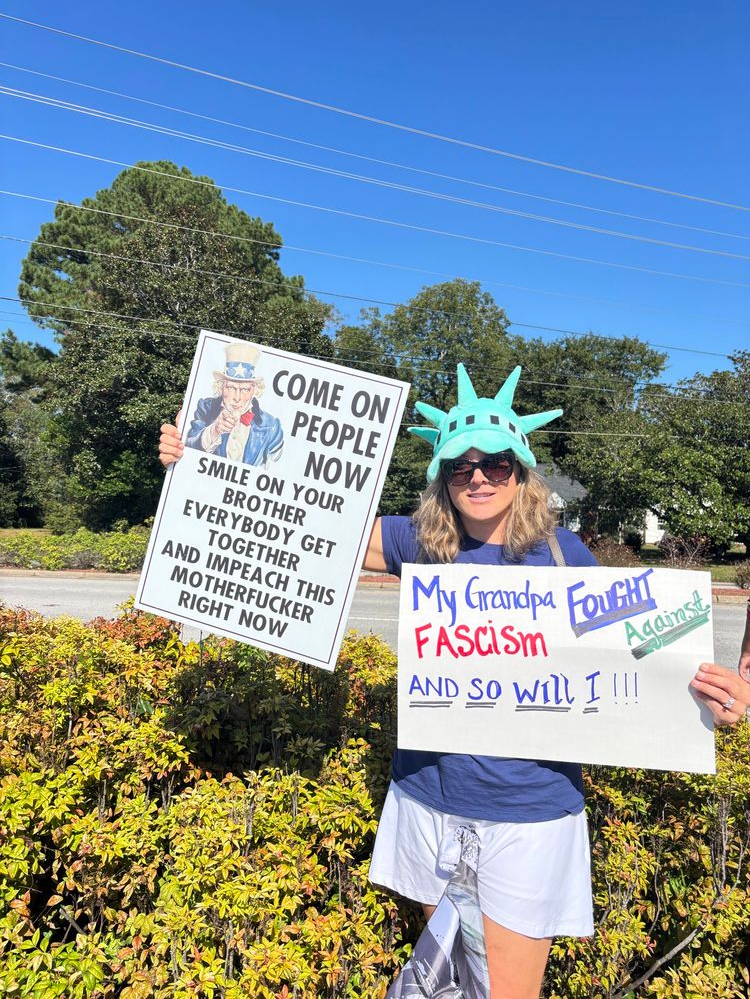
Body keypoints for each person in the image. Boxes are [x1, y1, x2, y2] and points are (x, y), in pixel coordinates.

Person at [159, 363, 750, 999]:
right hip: (429, 799)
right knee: (452, 980)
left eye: (495, 464)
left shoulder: (562, 553)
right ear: (443, 476)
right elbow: (313, 517)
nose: (478, 478)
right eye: (460, 467)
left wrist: (703, 702)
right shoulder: (421, 542)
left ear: (521, 473)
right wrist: (203, 463)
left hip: (527, 813)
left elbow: (635, 658)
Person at [186, 342, 284, 467]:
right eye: (231, 388)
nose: (237, 398)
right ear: (221, 387)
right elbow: (188, 448)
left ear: (254, 391)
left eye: (245, 390)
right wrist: (215, 430)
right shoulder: (205, 408)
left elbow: (275, 471)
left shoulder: (271, 426)